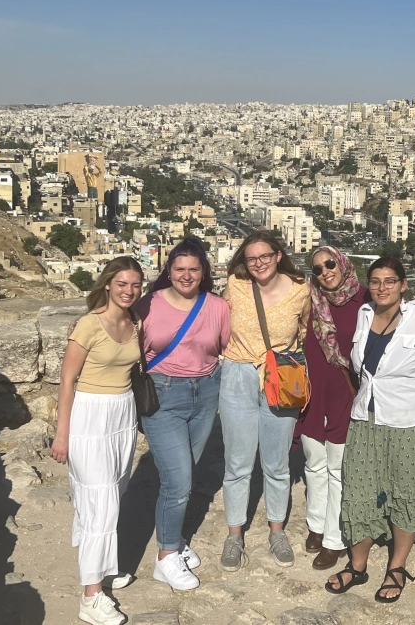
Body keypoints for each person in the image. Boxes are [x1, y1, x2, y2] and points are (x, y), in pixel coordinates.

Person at [325, 256, 415, 604]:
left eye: (390, 281)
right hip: (366, 418)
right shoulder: (364, 314)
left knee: (406, 493)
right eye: (375, 281)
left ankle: (396, 567)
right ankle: (357, 565)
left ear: (403, 285)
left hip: (410, 419)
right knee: (359, 490)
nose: (382, 287)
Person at [133, 237, 231, 592]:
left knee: (186, 474)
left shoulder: (217, 307)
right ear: (169, 271)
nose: (186, 276)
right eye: (179, 269)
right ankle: (166, 557)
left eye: (193, 269)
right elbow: (120, 334)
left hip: (206, 392)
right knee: (178, 481)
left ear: (204, 272)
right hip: (162, 395)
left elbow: (225, 346)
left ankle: (173, 537)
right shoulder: (148, 304)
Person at [51, 256, 145, 625]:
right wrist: (63, 434)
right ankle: (91, 597)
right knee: (100, 503)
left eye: (135, 285)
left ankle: (102, 568)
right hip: (90, 415)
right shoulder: (88, 325)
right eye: (122, 284)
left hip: (123, 414)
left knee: (112, 495)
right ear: (107, 284)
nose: (129, 291)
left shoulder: (135, 321)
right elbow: (67, 380)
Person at [219, 230, 311, 571]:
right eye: (251, 258)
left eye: (265, 256)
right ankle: (234, 535)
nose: (259, 263)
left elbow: (307, 331)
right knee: (237, 462)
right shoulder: (236, 286)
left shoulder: (301, 290)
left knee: (277, 463)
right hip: (238, 374)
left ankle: (277, 531)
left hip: (281, 377)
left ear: (278, 255)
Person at [296, 246, 368, 570]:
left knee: (338, 468)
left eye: (329, 264)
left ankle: (334, 539)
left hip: (345, 395)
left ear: (342, 264)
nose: (325, 272)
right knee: (314, 462)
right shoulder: (309, 301)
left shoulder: (364, 300)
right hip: (313, 393)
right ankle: (316, 524)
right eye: (318, 269)